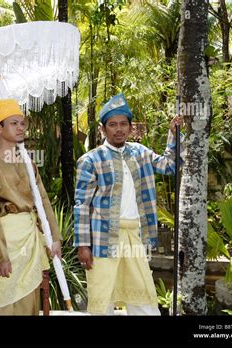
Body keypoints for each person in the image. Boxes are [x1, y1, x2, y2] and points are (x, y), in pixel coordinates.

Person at [74, 93, 183, 315]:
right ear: (103, 130)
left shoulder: (141, 153)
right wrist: (83, 244)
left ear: (131, 127)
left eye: (124, 124)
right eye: (112, 125)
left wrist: (173, 135)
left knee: (143, 299)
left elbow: (170, 166)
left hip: (135, 237)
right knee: (102, 300)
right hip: (102, 239)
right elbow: (82, 206)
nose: (119, 129)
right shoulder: (90, 160)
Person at [0, 99, 62, 315]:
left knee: (28, 302)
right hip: (7, 241)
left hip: (29, 240)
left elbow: (42, 201)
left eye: (23, 123)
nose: (21, 128)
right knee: (3, 304)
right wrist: (0, 255)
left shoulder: (28, 162)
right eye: (14, 123)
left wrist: (55, 238)